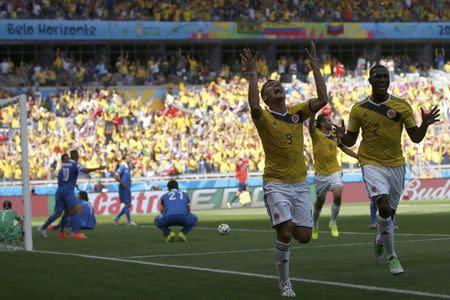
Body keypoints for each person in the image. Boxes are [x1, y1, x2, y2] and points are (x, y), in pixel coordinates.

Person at [240, 42, 328, 297]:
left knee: (304, 236)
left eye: (278, 85)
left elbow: (323, 99)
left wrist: (314, 67)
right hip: (276, 183)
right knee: (286, 232)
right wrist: (254, 75)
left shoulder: (296, 114)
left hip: (300, 184)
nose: (276, 87)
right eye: (270, 88)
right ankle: (285, 283)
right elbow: (254, 107)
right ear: (266, 97)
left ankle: (284, 264)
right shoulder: (264, 117)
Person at [334, 64, 439, 275]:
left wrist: (425, 125)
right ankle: (393, 258)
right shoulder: (359, 109)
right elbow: (351, 139)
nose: (382, 80)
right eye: (377, 77)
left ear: (389, 81)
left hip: (396, 166)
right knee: (382, 205)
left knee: (389, 213)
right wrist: (341, 136)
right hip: (371, 163)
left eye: (385, 76)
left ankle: (379, 239)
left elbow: (416, 138)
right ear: (370, 81)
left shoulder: (402, 106)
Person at [308, 113, 358, 239]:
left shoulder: (335, 135)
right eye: (328, 121)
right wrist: (312, 111)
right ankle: (314, 224)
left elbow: (344, 148)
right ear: (322, 124)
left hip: (334, 170)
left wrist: (358, 157)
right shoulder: (316, 135)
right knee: (320, 202)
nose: (331, 123)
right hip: (321, 174)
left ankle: (333, 222)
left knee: (338, 193)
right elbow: (310, 126)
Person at [57, 149, 105, 239]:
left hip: (61, 190)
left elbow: (61, 177)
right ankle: (75, 232)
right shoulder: (75, 164)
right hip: (69, 191)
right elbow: (85, 170)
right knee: (77, 209)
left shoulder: (64, 165)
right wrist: (98, 168)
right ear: (77, 156)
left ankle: (61, 232)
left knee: (67, 212)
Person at [39, 153, 69, 238]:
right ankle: (43, 227)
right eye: (66, 159)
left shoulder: (66, 168)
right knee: (58, 213)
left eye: (68, 159)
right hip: (62, 193)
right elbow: (59, 177)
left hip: (67, 192)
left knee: (68, 211)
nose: (68, 160)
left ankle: (61, 232)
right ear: (63, 161)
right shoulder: (63, 169)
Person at [113, 155, 137, 226]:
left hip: (127, 187)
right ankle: (129, 221)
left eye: (130, 158)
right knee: (127, 204)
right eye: (128, 158)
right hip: (123, 188)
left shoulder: (129, 167)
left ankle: (117, 217)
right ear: (125, 159)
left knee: (128, 204)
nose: (130, 159)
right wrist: (122, 183)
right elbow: (116, 176)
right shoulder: (123, 166)